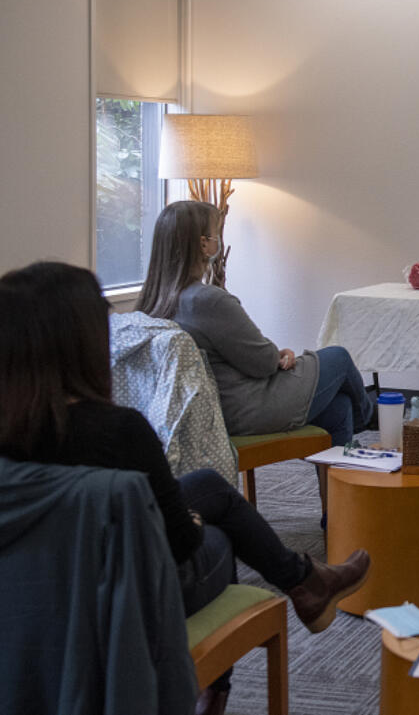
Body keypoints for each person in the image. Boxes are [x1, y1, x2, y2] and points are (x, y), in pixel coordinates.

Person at [0, 262, 371, 715]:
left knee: (208, 486)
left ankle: (305, 582)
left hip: (27, 591)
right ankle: (217, 688)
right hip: (123, 598)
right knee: (220, 530)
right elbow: (182, 543)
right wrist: (191, 518)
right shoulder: (119, 432)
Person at [136, 200, 374, 447]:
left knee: (338, 407)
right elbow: (261, 363)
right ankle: (371, 419)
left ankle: (340, 481)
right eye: (216, 233)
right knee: (338, 357)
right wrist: (276, 355)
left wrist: (272, 355)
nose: (220, 239)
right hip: (242, 409)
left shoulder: (152, 301)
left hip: (195, 412)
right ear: (204, 244)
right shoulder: (208, 300)